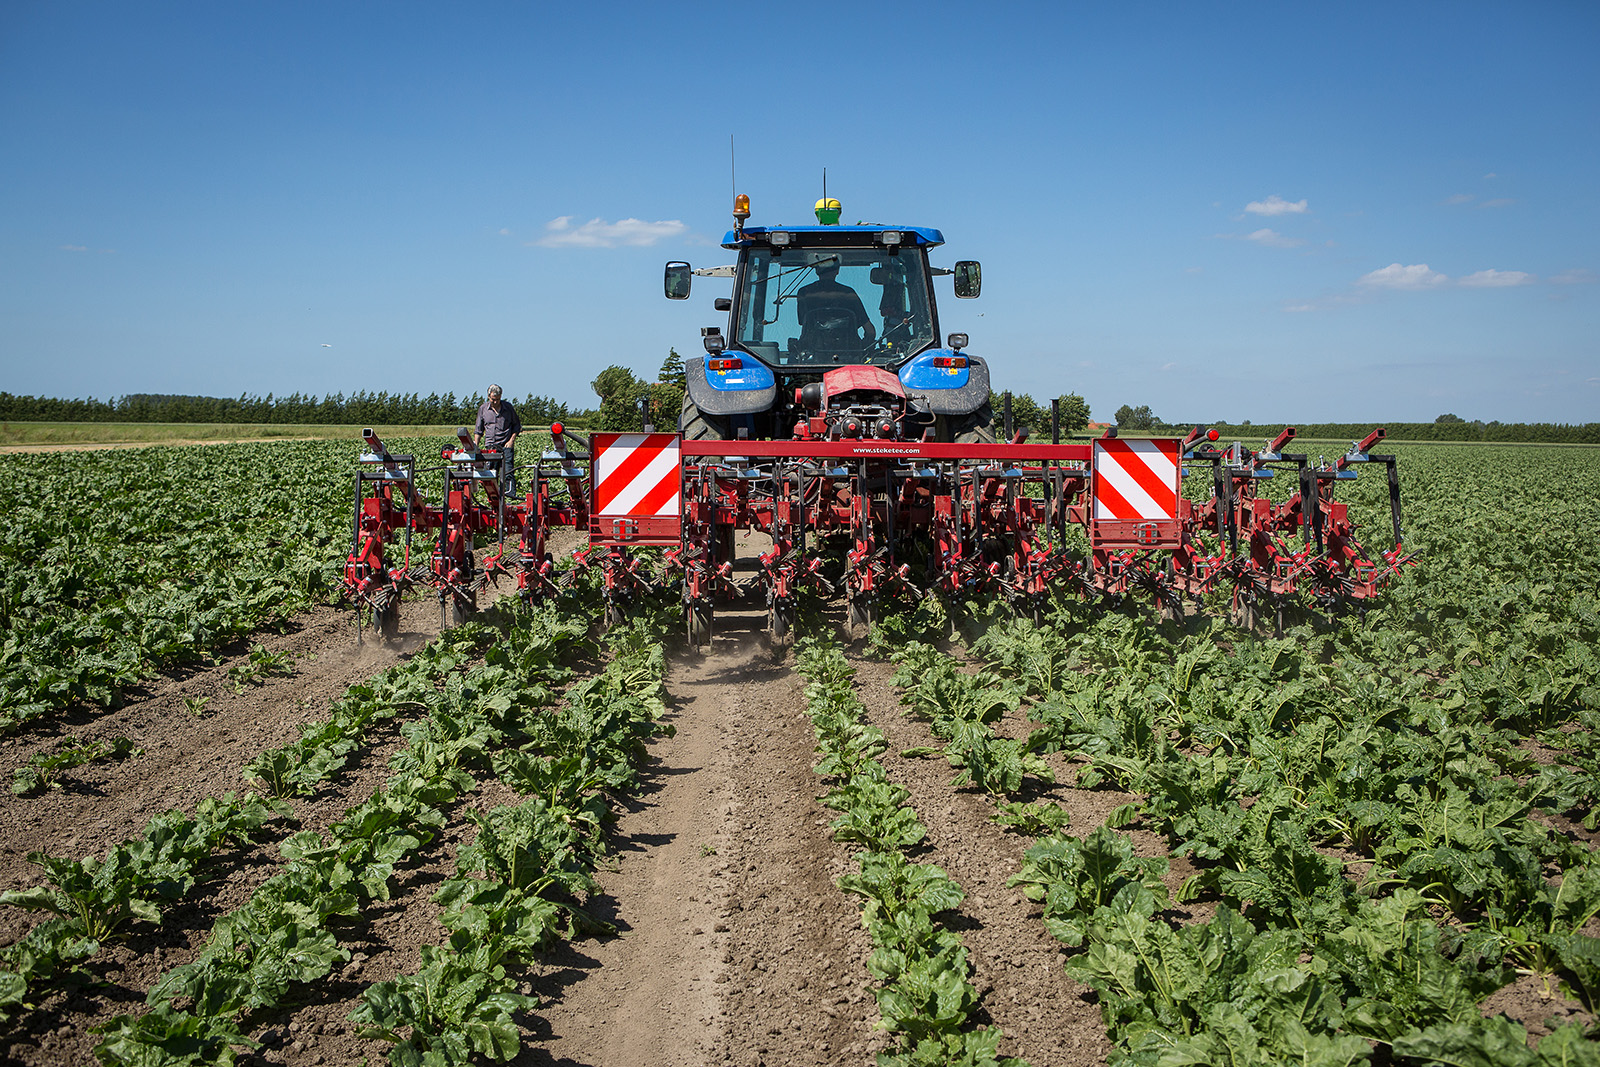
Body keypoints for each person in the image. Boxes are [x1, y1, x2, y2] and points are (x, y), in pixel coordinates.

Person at [796, 257, 875, 354]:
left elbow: (803, 323)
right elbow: (870, 331)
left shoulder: (804, 293)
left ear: (817, 271)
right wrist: (859, 350)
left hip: (812, 358)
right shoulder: (848, 293)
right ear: (837, 271)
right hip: (848, 357)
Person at [474, 384, 522, 493]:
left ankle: (510, 497)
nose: (495, 402)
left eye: (498, 399)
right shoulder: (483, 409)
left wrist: (511, 441)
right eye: (493, 399)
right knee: (490, 474)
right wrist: (476, 446)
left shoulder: (508, 408)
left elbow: (517, 426)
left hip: (506, 445)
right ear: (488, 397)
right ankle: (494, 498)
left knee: (508, 472)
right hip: (490, 446)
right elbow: (479, 429)